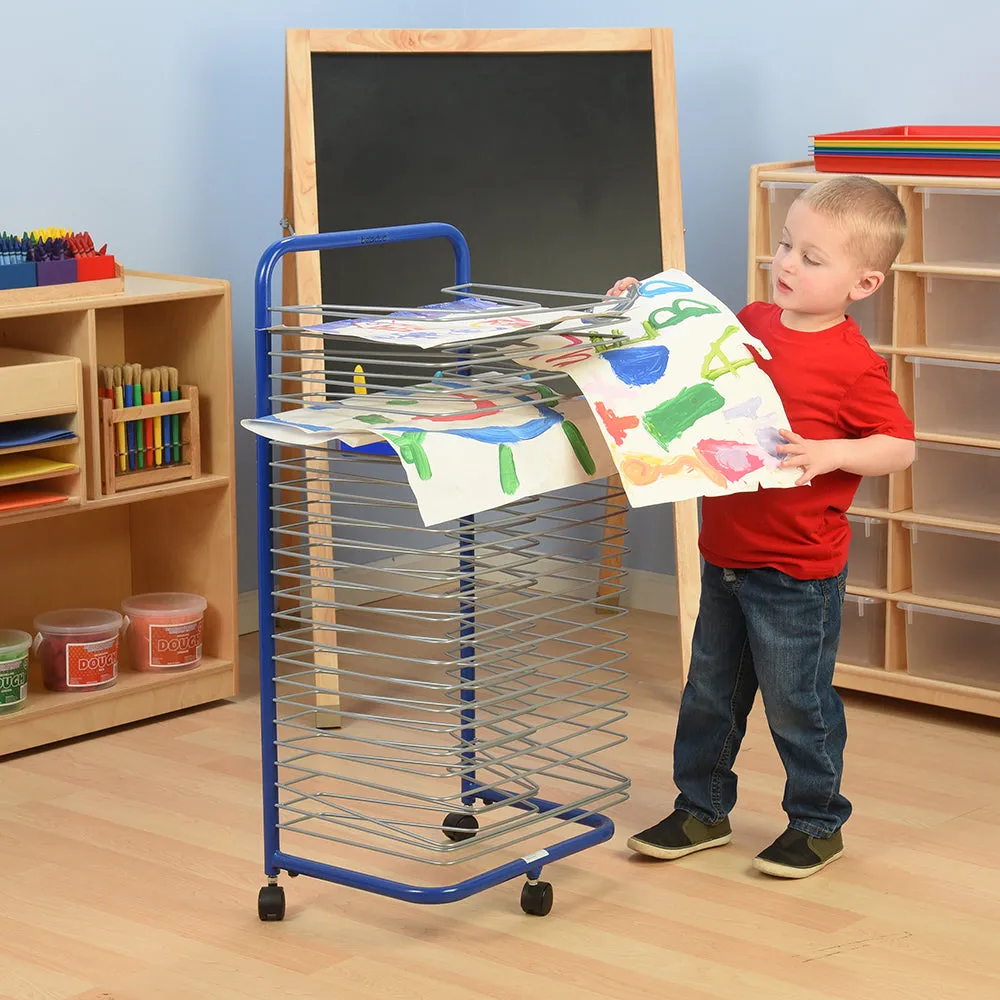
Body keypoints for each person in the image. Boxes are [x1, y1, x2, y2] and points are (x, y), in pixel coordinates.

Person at [609, 175, 915, 878]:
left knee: (796, 703)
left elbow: (900, 446)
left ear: (862, 283)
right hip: (726, 554)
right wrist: (635, 310)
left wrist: (835, 452)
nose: (786, 264)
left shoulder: (853, 364)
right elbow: (685, 359)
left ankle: (816, 822)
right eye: (785, 245)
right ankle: (701, 808)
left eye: (812, 258)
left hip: (797, 573)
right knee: (709, 694)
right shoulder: (750, 321)